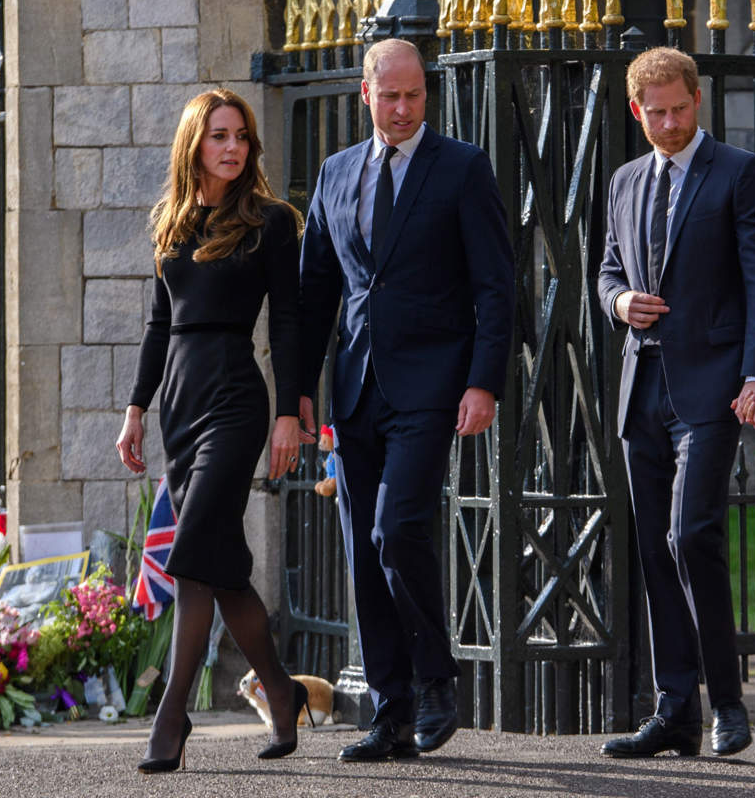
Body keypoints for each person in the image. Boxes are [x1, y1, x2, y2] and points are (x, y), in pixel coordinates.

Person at [297, 38, 514, 761]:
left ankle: (436, 679)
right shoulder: (333, 174)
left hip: (433, 385)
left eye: (414, 96)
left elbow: (495, 285)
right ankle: (388, 714)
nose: (401, 108)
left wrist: (483, 381)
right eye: (388, 96)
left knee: (396, 529)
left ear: (428, 94)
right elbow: (314, 293)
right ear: (366, 94)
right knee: (363, 550)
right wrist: (297, 394)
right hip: (354, 390)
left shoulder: (462, 168)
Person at [595, 47, 755, 759]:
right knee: (650, 548)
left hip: (712, 389)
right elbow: (608, 266)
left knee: (690, 535)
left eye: (680, 109)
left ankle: (727, 705)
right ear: (635, 110)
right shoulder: (622, 181)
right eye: (656, 113)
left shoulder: (739, 173)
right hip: (639, 389)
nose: (669, 124)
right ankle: (674, 709)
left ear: (697, 100)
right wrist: (618, 300)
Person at [116, 89, 310, 774]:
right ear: (194, 144)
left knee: (195, 547)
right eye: (219, 136)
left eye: (241, 137)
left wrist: (289, 410)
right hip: (180, 402)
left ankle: (171, 716)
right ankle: (281, 692)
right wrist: (137, 408)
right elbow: (157, 325)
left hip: (235, 398)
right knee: (217, 563)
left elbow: (287, 320)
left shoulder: (270, 221)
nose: (232, 148)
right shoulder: (171, 219)